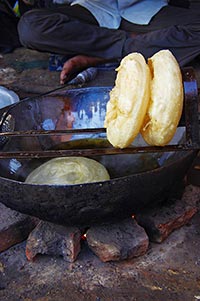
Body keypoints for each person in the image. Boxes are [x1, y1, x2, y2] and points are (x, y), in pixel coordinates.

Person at [17, 0, 200, 84]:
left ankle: (99, 56)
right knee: (31, 27)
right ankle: (131, 47)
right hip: (95, 9)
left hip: (146, 9)